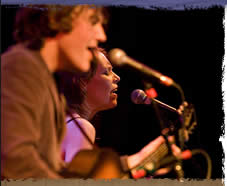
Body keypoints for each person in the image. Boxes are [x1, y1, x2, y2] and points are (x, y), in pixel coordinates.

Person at [1, 5, 107, 179]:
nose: (101, 35)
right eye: (93, 22)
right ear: (57, 18)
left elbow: (52, 169)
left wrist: (133, 162)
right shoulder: (20, 67)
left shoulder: (48, 84)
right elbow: (15, 162)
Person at [56, 48, 181, 179]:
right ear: (82, 82)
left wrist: (144, 170)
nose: (117, 78)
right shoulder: (81, 127)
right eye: (106, 72)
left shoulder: (66, 123)